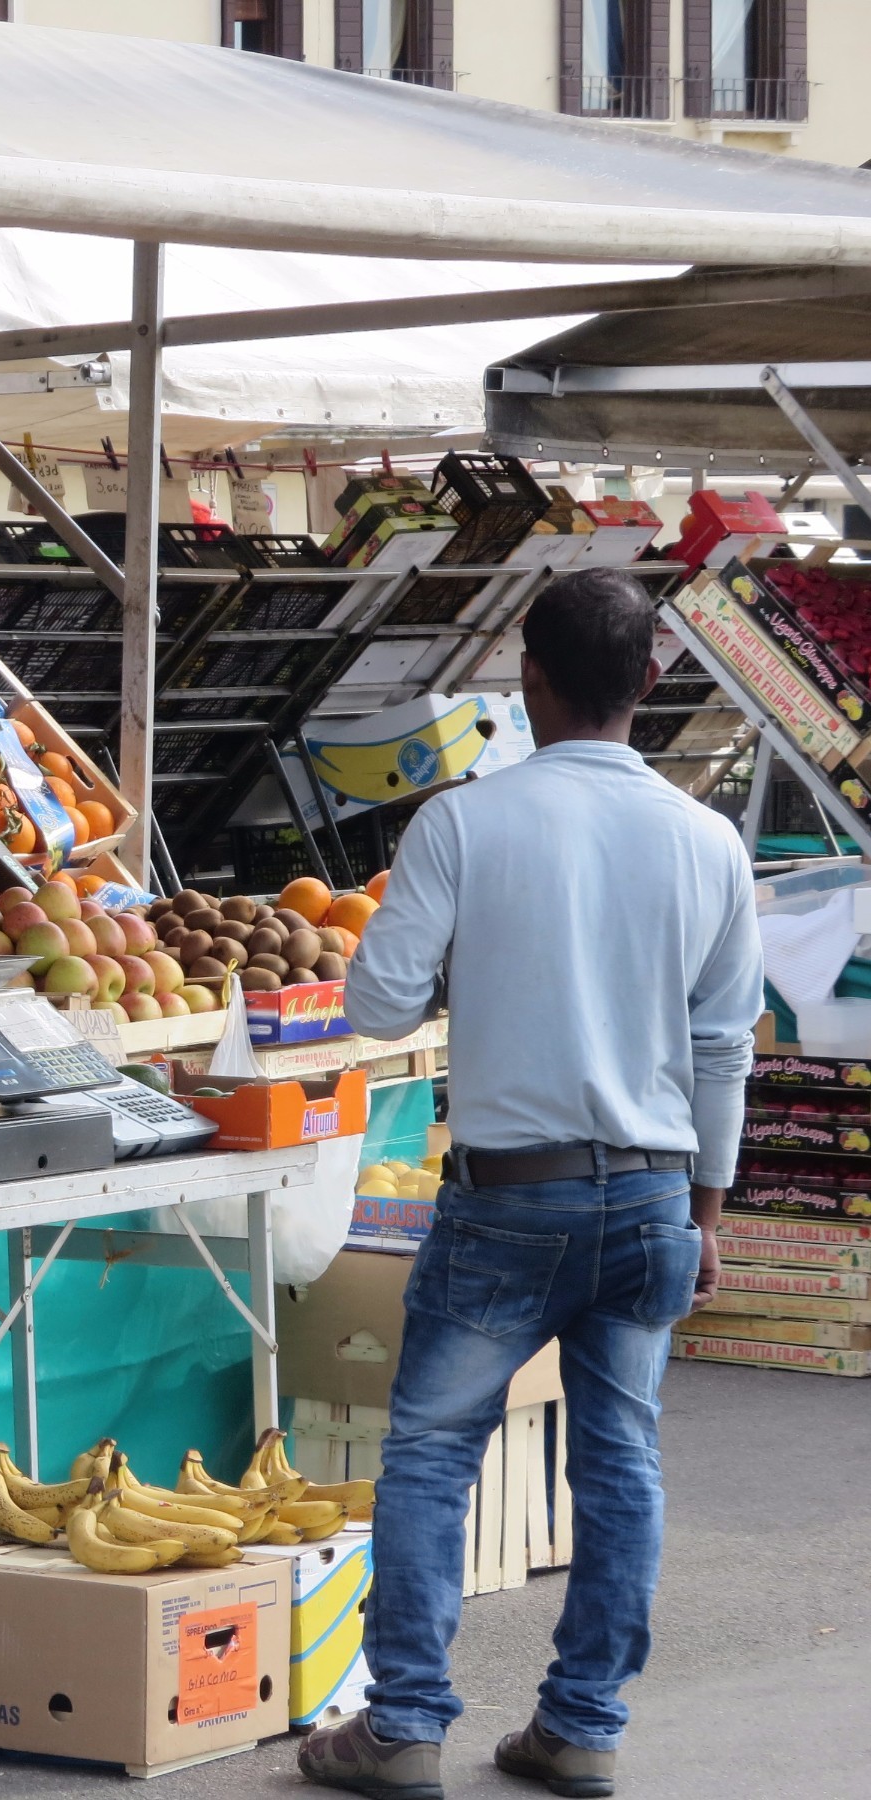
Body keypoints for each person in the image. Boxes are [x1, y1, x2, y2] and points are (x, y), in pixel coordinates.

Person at [296, 567, 762, 1800]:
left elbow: (377, 1003)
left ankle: (403, 1727)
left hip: (509, 1198)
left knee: (433, 1457)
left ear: (526, 679)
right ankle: (583, 1726)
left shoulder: (462, 823)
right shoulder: (711, 841)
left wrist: (474, 974)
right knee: (622, 1463)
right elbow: (726, 1047)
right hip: (658, 1197)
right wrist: (706, 1215)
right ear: (650, 681)